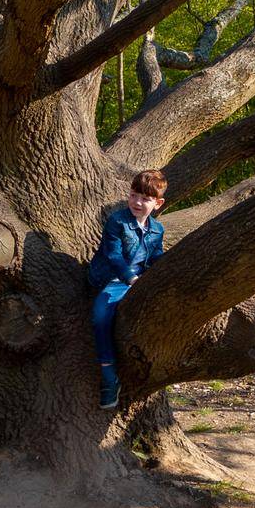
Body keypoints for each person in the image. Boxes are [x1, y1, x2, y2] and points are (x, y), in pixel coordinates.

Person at [87, 169, 167, 409]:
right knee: (100, 318)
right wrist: (131, 278)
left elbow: (155, 256)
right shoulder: (117, 222)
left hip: (137, 281)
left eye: (145, 198)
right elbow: (113, 256)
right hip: (113, 280)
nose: (137, 202)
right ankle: (109, 377)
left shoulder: (157, 230)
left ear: (158, 203)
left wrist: (164, 271)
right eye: (133, 195)